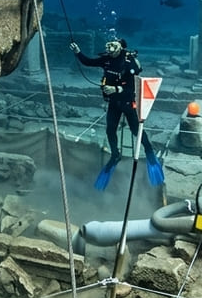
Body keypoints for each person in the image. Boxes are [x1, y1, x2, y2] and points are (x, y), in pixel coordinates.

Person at [69, 38, 164, 189]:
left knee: (135, 130)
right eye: (109, 46)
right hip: (114, 102)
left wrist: (116, 89)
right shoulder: (106, 60)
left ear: (120, 48)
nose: (110, 49)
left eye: (113, 46)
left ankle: (149, 151)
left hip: (127, 101)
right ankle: (115, 154)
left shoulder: (128, 63)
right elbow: (88, 62)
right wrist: (77, 52)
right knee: (110, 129)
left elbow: (133, 88)